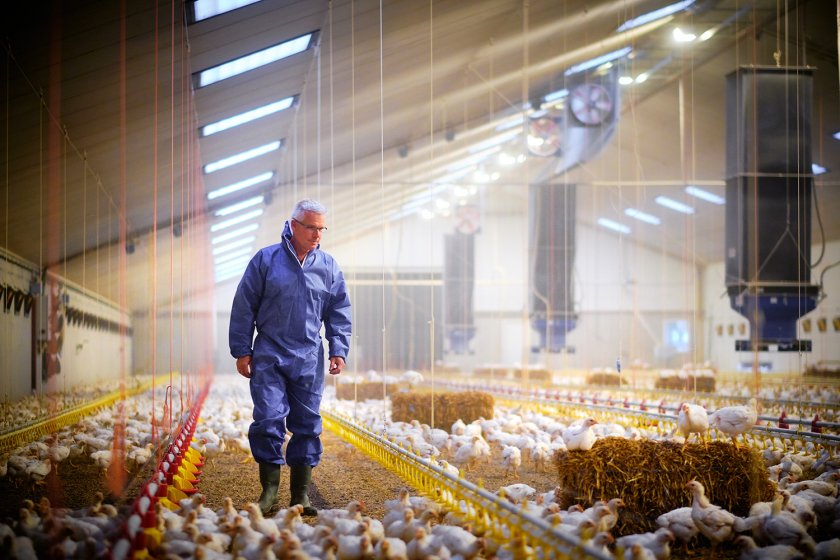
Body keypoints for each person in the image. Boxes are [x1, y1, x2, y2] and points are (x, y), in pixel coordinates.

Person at [229, 198, 351, 515]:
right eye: (311, 227)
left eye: (321, 228)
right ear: (293, 225)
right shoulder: (266, 260)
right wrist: (242, 349)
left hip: (309, 355)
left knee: (307, 424)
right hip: (270, 353)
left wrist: (339, 348)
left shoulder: (328, 266)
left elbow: (339, 311)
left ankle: (300, 495)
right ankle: (268, 492)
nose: (317, 234)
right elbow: (244, 305)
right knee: (269, 418)